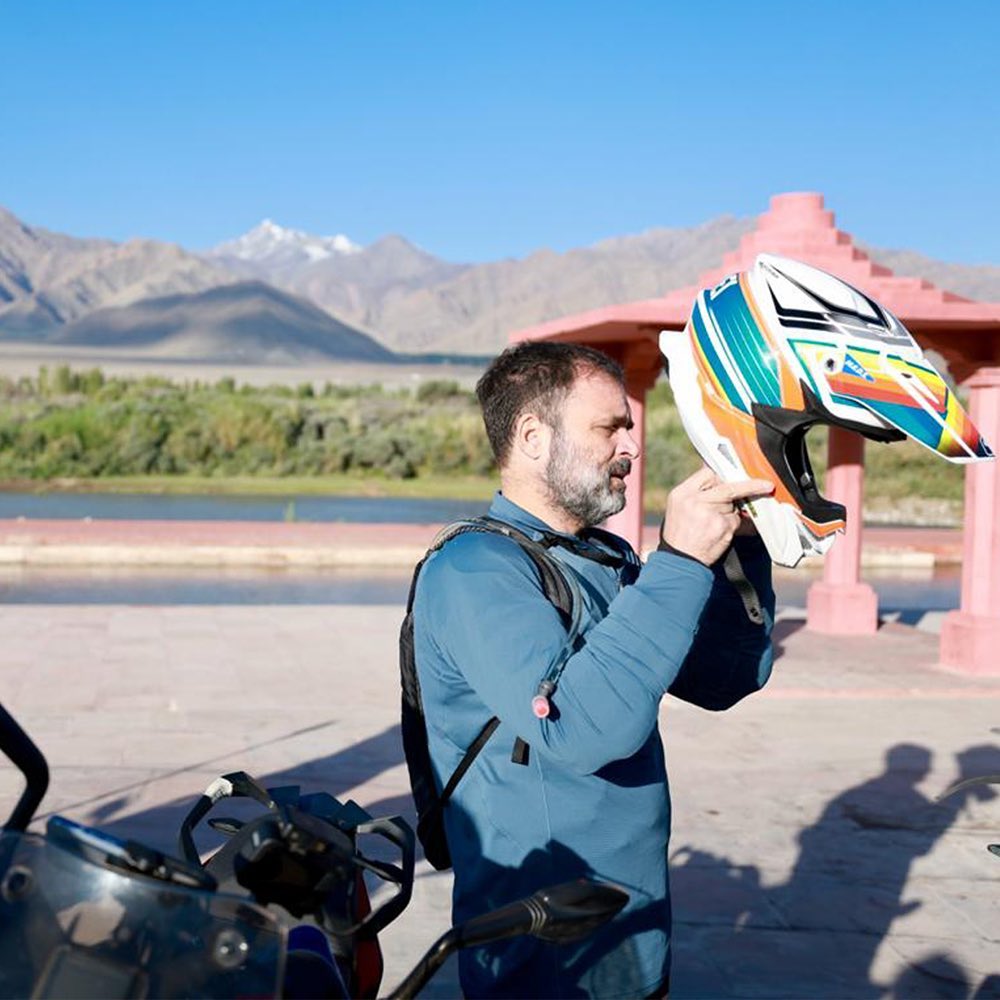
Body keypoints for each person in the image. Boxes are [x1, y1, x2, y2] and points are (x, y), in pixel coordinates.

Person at [411, 340, 776, 998]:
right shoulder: (473, 571)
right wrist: (681, 563)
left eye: (628, 429)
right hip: (543, 943)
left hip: (635, 922)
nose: (629, 449)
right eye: (609, 427)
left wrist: (738, 552)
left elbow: (722, 681)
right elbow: (580, 727)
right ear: (531, 436)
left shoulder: (607, 559)